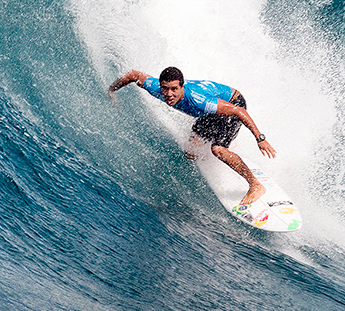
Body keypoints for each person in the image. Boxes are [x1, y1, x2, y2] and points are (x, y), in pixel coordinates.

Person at [108, 66, 276, 206]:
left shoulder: (198, 100)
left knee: (217, 149)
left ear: (182, 87)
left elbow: (239, 111)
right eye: (165, 88)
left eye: (174, 89)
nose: (169, 94)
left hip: (233, 105)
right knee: (190, 153)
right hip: (211, 113)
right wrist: (111, 90)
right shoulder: (155, 88)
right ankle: (228, 150)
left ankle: (255, 185)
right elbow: (133, 75)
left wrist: (260, 139)